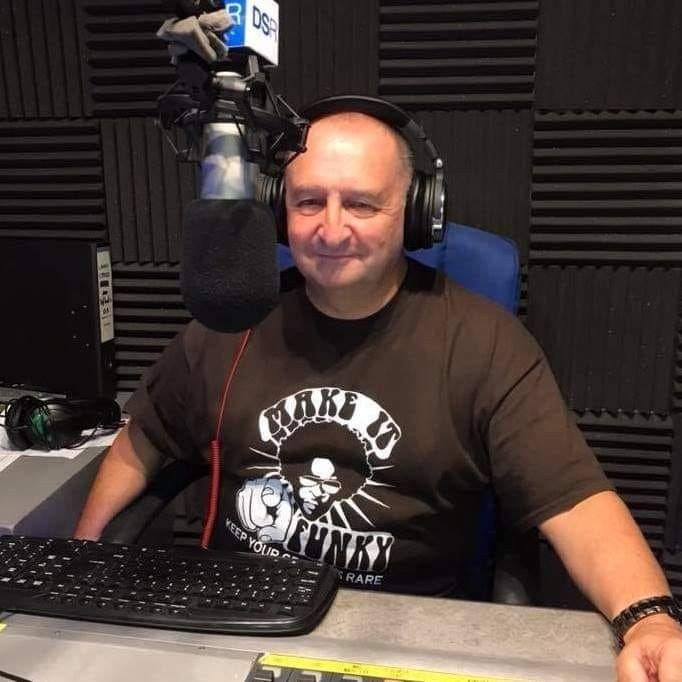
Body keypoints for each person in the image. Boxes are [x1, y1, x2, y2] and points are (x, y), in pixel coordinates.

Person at [75, 101, 682, 681]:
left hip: (405, 633)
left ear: (417, 212)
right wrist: (82, 560)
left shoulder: (483, 343)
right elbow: (144, 440)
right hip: (238, 622)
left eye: (362, 204)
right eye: (309, 201)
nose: (330, 229)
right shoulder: (229, 324)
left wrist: (647, 620)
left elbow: (574, 501)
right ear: (276, 206)